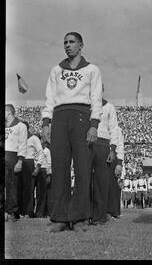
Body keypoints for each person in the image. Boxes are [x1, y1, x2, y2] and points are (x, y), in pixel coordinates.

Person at [41, 32, 103, 233]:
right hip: (59, 117)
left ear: (81, 45)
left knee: (83, 168)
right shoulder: (56, 70)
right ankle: (59, 217)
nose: (68, 45)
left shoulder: (92, 69)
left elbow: (96, 99)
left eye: (72, 42)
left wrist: (94, 125)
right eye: (65, 42)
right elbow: (49, 98)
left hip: (82, 116)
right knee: (59, 168)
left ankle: (79, 217)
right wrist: (45, 123)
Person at [89, 92, 119, 225]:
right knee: (85, 180)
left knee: (101, 182)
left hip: (103, 143)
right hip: (88, 142)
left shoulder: (109, 107)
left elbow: (114, 128)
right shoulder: (86, 105)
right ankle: (85, 214)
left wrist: (112, 149)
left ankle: (100, 216)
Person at [5, 104, 28, 222]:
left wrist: (20, 161)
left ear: (8, 112)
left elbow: (23, 144)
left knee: (12, 185)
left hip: (13, 156)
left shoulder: (21, 126)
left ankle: (12, 211)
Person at [21, 121, 44, 218]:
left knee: (29, 189)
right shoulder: (20, 139)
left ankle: (28, 212)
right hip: (21, 163)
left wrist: (38, 167)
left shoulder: (34, 139)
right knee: (22, 189)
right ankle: (21, 211)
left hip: (30, 163)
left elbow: (40, 152)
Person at [107, 126, 124, 219]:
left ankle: (111, 211)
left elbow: (120, 145)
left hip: (113, 157)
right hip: (100, 153)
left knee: (112, 186)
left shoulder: (117, 128)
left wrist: (119, 163)